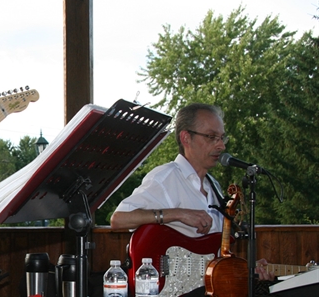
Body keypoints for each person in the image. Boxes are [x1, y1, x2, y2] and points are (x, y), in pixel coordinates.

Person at [110, 103, 274, 296]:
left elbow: (213, 257)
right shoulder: (166, 177)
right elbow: (118, 219)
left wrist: (249, 269)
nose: (221, 145)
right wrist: (179, 214)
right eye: (211, 137)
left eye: (222, 138)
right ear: (186, 138)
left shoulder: (213, 186)